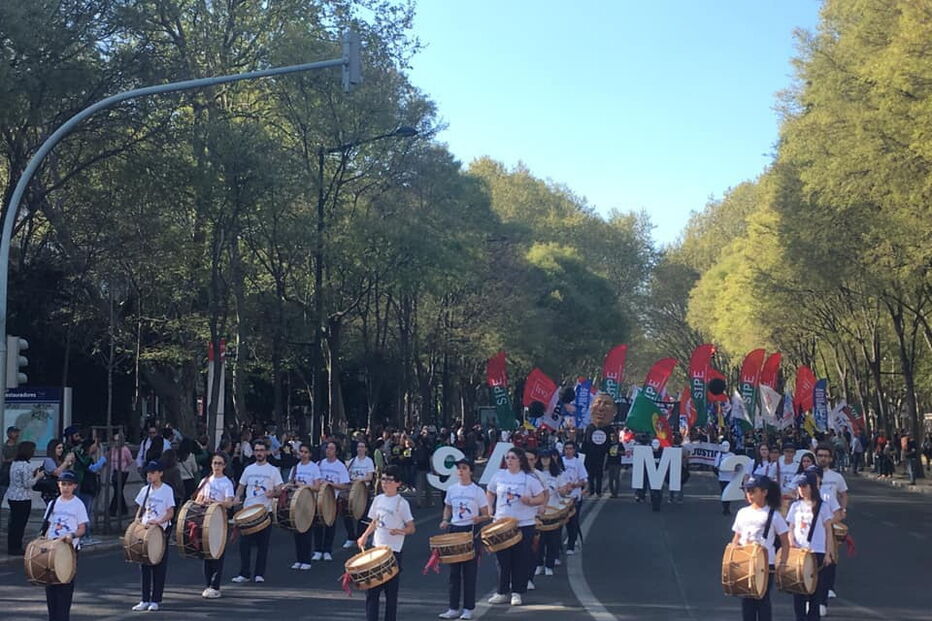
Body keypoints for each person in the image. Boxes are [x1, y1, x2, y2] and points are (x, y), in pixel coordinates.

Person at [485, 446, 547, 607]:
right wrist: (490, 507)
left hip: (523, 524)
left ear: (520, 460)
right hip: (502, 523)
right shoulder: (499, 475)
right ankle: (501, 591)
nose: (509, 461)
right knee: (502, 559)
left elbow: (541, 496)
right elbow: (490, 491)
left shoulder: (529, 478)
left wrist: (531, 502)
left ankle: (517, 592)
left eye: (513, 458)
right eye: (507, 458)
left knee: (520, 558)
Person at [357, 465, 415, 621]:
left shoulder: (401, 503)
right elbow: (374, 521)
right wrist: (364, 536)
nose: (385, 483)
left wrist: (400, 531)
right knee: (372, 591)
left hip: (393, 553)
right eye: (383, 479)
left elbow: (411, 528)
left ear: (398, 483)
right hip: (376, 550)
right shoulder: (378, 499)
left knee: (391, 594)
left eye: (389, 480)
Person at [730, 475, 789, 621]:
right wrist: (732, 556)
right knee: (746, 599)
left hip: (765, 563)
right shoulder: (742, 513)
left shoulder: (773, 515)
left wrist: (782, 563)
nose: (749, 494)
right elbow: (737, 537)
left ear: (764, 492)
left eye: (752, 490)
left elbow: (785, 541)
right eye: (747, 491)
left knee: (762, 598)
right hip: (745, 561)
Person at [437, 458, 490, 620]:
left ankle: (468, 608)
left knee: (469, 571)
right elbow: (448, 507)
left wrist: (479, 519)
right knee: (454, 572)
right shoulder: (452, 489)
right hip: (455, 529)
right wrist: (445, 519)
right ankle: (453, 607)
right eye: (459, 468)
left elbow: (486, 513)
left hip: (470, 530)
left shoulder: (477, 491)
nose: (460, 471)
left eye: (464, 468)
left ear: (470, 471)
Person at [786, 471, 835, 620]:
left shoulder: (823, 507)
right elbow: (791, 528)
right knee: (798, 590)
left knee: (815, 590)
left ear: (812, 487)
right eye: (799, 486)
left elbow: (828, 531)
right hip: (799, 552)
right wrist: (791, 543)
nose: (801, 489)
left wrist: (828, 553)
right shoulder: (795, 506)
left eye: (804, 486)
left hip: (817, 552)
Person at [232, 439, 282, 583]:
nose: (259, 453)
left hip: (265, 511)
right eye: (257, 450)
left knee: (262, 545)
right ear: (254, 452)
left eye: (261, 450)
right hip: (248, 511)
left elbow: (280, 489)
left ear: (266, 452)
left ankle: (259, 573)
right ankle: (244, 573)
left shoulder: (273, 470)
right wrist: (237, 497)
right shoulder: (248, 469)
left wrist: (273, 493)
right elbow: (241, 486)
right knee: (244, 545)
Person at [42, 470, 89, 621]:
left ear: (74, 486)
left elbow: (82, 528)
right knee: (50, 587)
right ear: (58, 485)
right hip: (52, 549)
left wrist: (72, 535)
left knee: (64, 588)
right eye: (63, 484)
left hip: (69, 549)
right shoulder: (53, 503)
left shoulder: (78, 504)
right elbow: (47, 526)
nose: (66, 487)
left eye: (69, 485)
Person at [131, 460, 176, 612]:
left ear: (160, 473)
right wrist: (137, 519)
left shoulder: (167, 490)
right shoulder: (145, 490)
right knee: (144, 564)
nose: (150, 475)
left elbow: (170, 512)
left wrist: (159, 521)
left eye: (153, 473)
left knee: (158, 565)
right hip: (146, 529)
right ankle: (144, 599)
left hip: (160, 530)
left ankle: (156, 599)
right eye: (148, 473)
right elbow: (140, 508)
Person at [195, 453, 236, 599]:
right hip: (205, 521)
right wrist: (203, 501)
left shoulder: (226, 483)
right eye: (214, 463)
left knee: (217, 554)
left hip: (220, 521)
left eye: (219, 463)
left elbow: (229, 502)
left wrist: (215, 503)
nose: (216, 466)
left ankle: (215, 585)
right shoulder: (205, 481)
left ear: (224, 466)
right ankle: (207, 584)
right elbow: (197, 499)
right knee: (206, 553)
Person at [815, 444, 847, 613]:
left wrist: (842, 512)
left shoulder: (836, 478)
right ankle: (812, 599)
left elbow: (843, 495)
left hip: (829, 525)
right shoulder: (806, 486)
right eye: (820, 455)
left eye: (826, 455)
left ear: (831, 458)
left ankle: (824, 597)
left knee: (829, 559)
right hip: (810, 533)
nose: (823, 458)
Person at [534, 448, 568, 577]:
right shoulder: (535, 474)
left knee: (552, 540)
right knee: (539, 541)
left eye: (547, 458)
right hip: (539, 511)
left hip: (553, 510)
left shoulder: (558, 473)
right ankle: (538, 564)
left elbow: (564, 491)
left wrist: (563, 490)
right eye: (542, 458)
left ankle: (549, 564)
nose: (545, 460)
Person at [313, 441, 350, 561]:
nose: (328, 450)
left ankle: (327, 550)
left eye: (332, 448)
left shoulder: (340, 466)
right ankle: (318, 550)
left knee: (330, 525)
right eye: (327, 448)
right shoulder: (319, 464)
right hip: (319, 499)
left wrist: (331, 484)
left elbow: (344, 485)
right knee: (318, 524)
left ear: (336, 451)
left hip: (332, 499)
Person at [288, 443, 321, 570]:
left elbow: (317, 487)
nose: (303, 454)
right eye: (301, 451)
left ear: (310, 454)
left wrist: (305, 486)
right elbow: (291, 483)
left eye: (306, 452)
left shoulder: (314, 468)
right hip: (296, 502)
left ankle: (306, 560)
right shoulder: (295, 467)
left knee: (306, 531)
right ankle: (299, 559)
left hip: (308, 501)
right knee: (297, 530)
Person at [7, 441, 42, 555]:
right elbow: (27, 484)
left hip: (12, 495)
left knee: (14, 522)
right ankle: (17, 547)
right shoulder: (26, 465)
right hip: (23, 497)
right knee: (20, 523)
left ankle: (11, 545)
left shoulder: (14, 463)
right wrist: (38, 476)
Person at [343, 441, 375, 549]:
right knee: (348, 514)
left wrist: (359, 479)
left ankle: (360, 537)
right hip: (352, 490)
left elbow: (370, 477)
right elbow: (347, 475)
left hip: (363, 490)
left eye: (362, 447)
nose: (360, 449)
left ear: (366, 449)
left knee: (362, 515)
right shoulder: (352, 461)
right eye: (358, 447)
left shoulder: (368, 461)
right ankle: (350, 537)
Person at [560, 441, 587, 554]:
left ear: (574, 450)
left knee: (573, 522)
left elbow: (584, 480)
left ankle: (571, 546)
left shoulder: (578, 463)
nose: (568, 451)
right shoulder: (560, 461)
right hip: (562, 497)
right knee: (559, 523)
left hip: (574, 496)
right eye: (566, 448)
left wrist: (574, 485)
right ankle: (558, 548)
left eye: (570, 448)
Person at [107, 434, 133, 516]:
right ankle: (123, 509)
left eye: (117, 440)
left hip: (123, 471)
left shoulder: (125, 449)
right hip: (115, 471)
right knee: (118, 491)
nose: (116, 442)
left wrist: (124, 466)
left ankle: (112, 510)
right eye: (115, 440)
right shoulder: (113, 450)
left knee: (118, 490)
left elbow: (130, 460)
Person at [0, 425, 21, 505]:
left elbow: (18, 457)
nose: (17, 434)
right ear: (9, 433)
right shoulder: (3, 446)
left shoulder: (19, 446)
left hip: (15, 471)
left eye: (17, 432)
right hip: (4, 473)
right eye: (14, 432)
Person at [715, 440, 735, 515]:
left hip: (730, 477)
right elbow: (716, 465)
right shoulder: (719, 455)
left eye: (727, 446)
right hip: (722, 478)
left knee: (729, 493)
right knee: (724, 493)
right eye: (724, 446)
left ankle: (727, 508)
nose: (725, 447)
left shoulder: (732, 455)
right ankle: (725, 508)